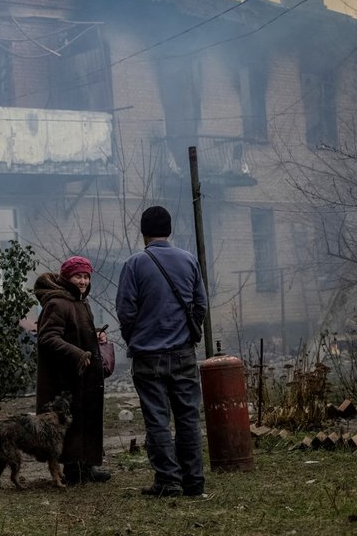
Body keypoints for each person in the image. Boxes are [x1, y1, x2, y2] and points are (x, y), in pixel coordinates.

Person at [116, 206, 207, 498]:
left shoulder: (134, 264)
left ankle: (168, 481)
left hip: (147, 356)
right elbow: (201, 305)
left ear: (143, 232)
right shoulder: (189, 260)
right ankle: (194, 481)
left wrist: (135, 337)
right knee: (188, 419)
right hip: (183, 353)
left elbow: (125, 311)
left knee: (157, 419)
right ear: (169, 231)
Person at [34, 255, 113, 484]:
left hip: (83, 376)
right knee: (69, 423)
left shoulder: (79, 301)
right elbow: (47, 338)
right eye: (78, 276)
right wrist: (78, 354)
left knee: (85, 420)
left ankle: (86, 467)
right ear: (67, 277)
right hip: (65, 378)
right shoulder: (57, 303)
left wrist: (96, 334)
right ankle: (73, 471)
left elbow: (74, 331)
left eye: (86, 277)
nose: (83, 281)